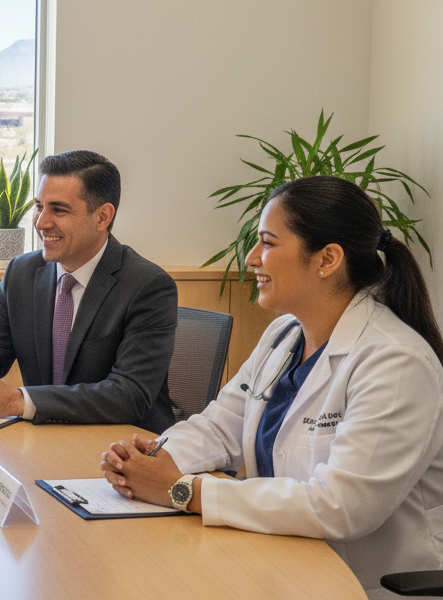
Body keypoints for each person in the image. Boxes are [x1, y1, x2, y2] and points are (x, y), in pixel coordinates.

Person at [102, 176, 443, 597]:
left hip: (365, 584)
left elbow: (340, 507)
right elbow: (218, 426)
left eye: (267, 242)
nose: (251, 258)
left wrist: (184, 490)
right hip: (282, 561)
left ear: (327, 259)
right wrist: (152, 462)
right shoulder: (285, 335)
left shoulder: (396, 361)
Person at [0, 149, 178, 433]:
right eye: (39, 206)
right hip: (42, 438)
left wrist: (17, 400)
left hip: (123, 449)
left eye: (58, 210)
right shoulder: (21, 273)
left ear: (102, 217)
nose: (41, 223)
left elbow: (129, 395)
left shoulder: (148, 286)